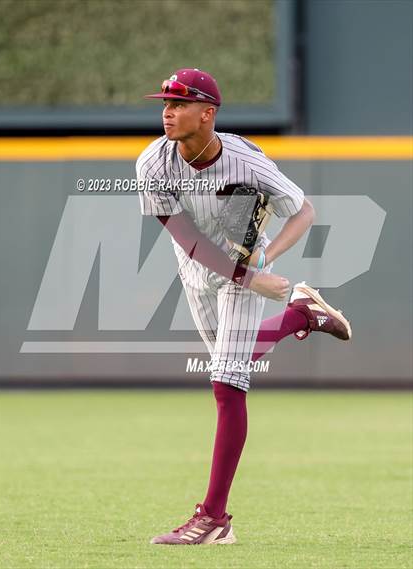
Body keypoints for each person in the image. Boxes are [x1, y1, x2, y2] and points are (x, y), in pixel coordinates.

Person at [137, 68, 351, 545]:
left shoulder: (246, 162)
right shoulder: (152, 163)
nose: (167, 112)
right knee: (232, 366)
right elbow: (187, 239)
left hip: (243, 267)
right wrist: (252, 278)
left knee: (226, 384)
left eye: (179, 103)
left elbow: (303, 211)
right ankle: (303, 314)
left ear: (207, 113)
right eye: (165, 103)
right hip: (200, 271)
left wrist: (264, 261)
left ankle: (214, 519)